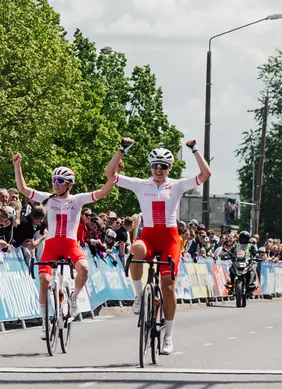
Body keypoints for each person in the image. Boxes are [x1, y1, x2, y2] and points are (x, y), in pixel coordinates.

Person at [104, 137, 211, 356]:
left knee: (167, 286)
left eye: (163, 166)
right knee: (136, 251)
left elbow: (205, 175)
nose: (159, 170)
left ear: (170, 167)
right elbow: (109, 174)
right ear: (150, 167)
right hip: (150, 235)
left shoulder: (177, 184)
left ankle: (169, 336)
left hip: (170, 237)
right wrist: (121, 150)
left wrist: (195, 150)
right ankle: (139, 296)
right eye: (155, 166)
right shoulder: (141, 184)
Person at [12, 153, 114, 338]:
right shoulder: (48, 198)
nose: (55, 183)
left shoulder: (77, 200)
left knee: (83, 267)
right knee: (44, 281)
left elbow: (102, 193)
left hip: (69, 245)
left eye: (60, 180)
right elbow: (23, 188)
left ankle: (73, 299)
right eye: (53, 180)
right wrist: (17, 166)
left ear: (69, 184)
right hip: (51, 245)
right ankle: (44, 321)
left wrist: (113, 176)